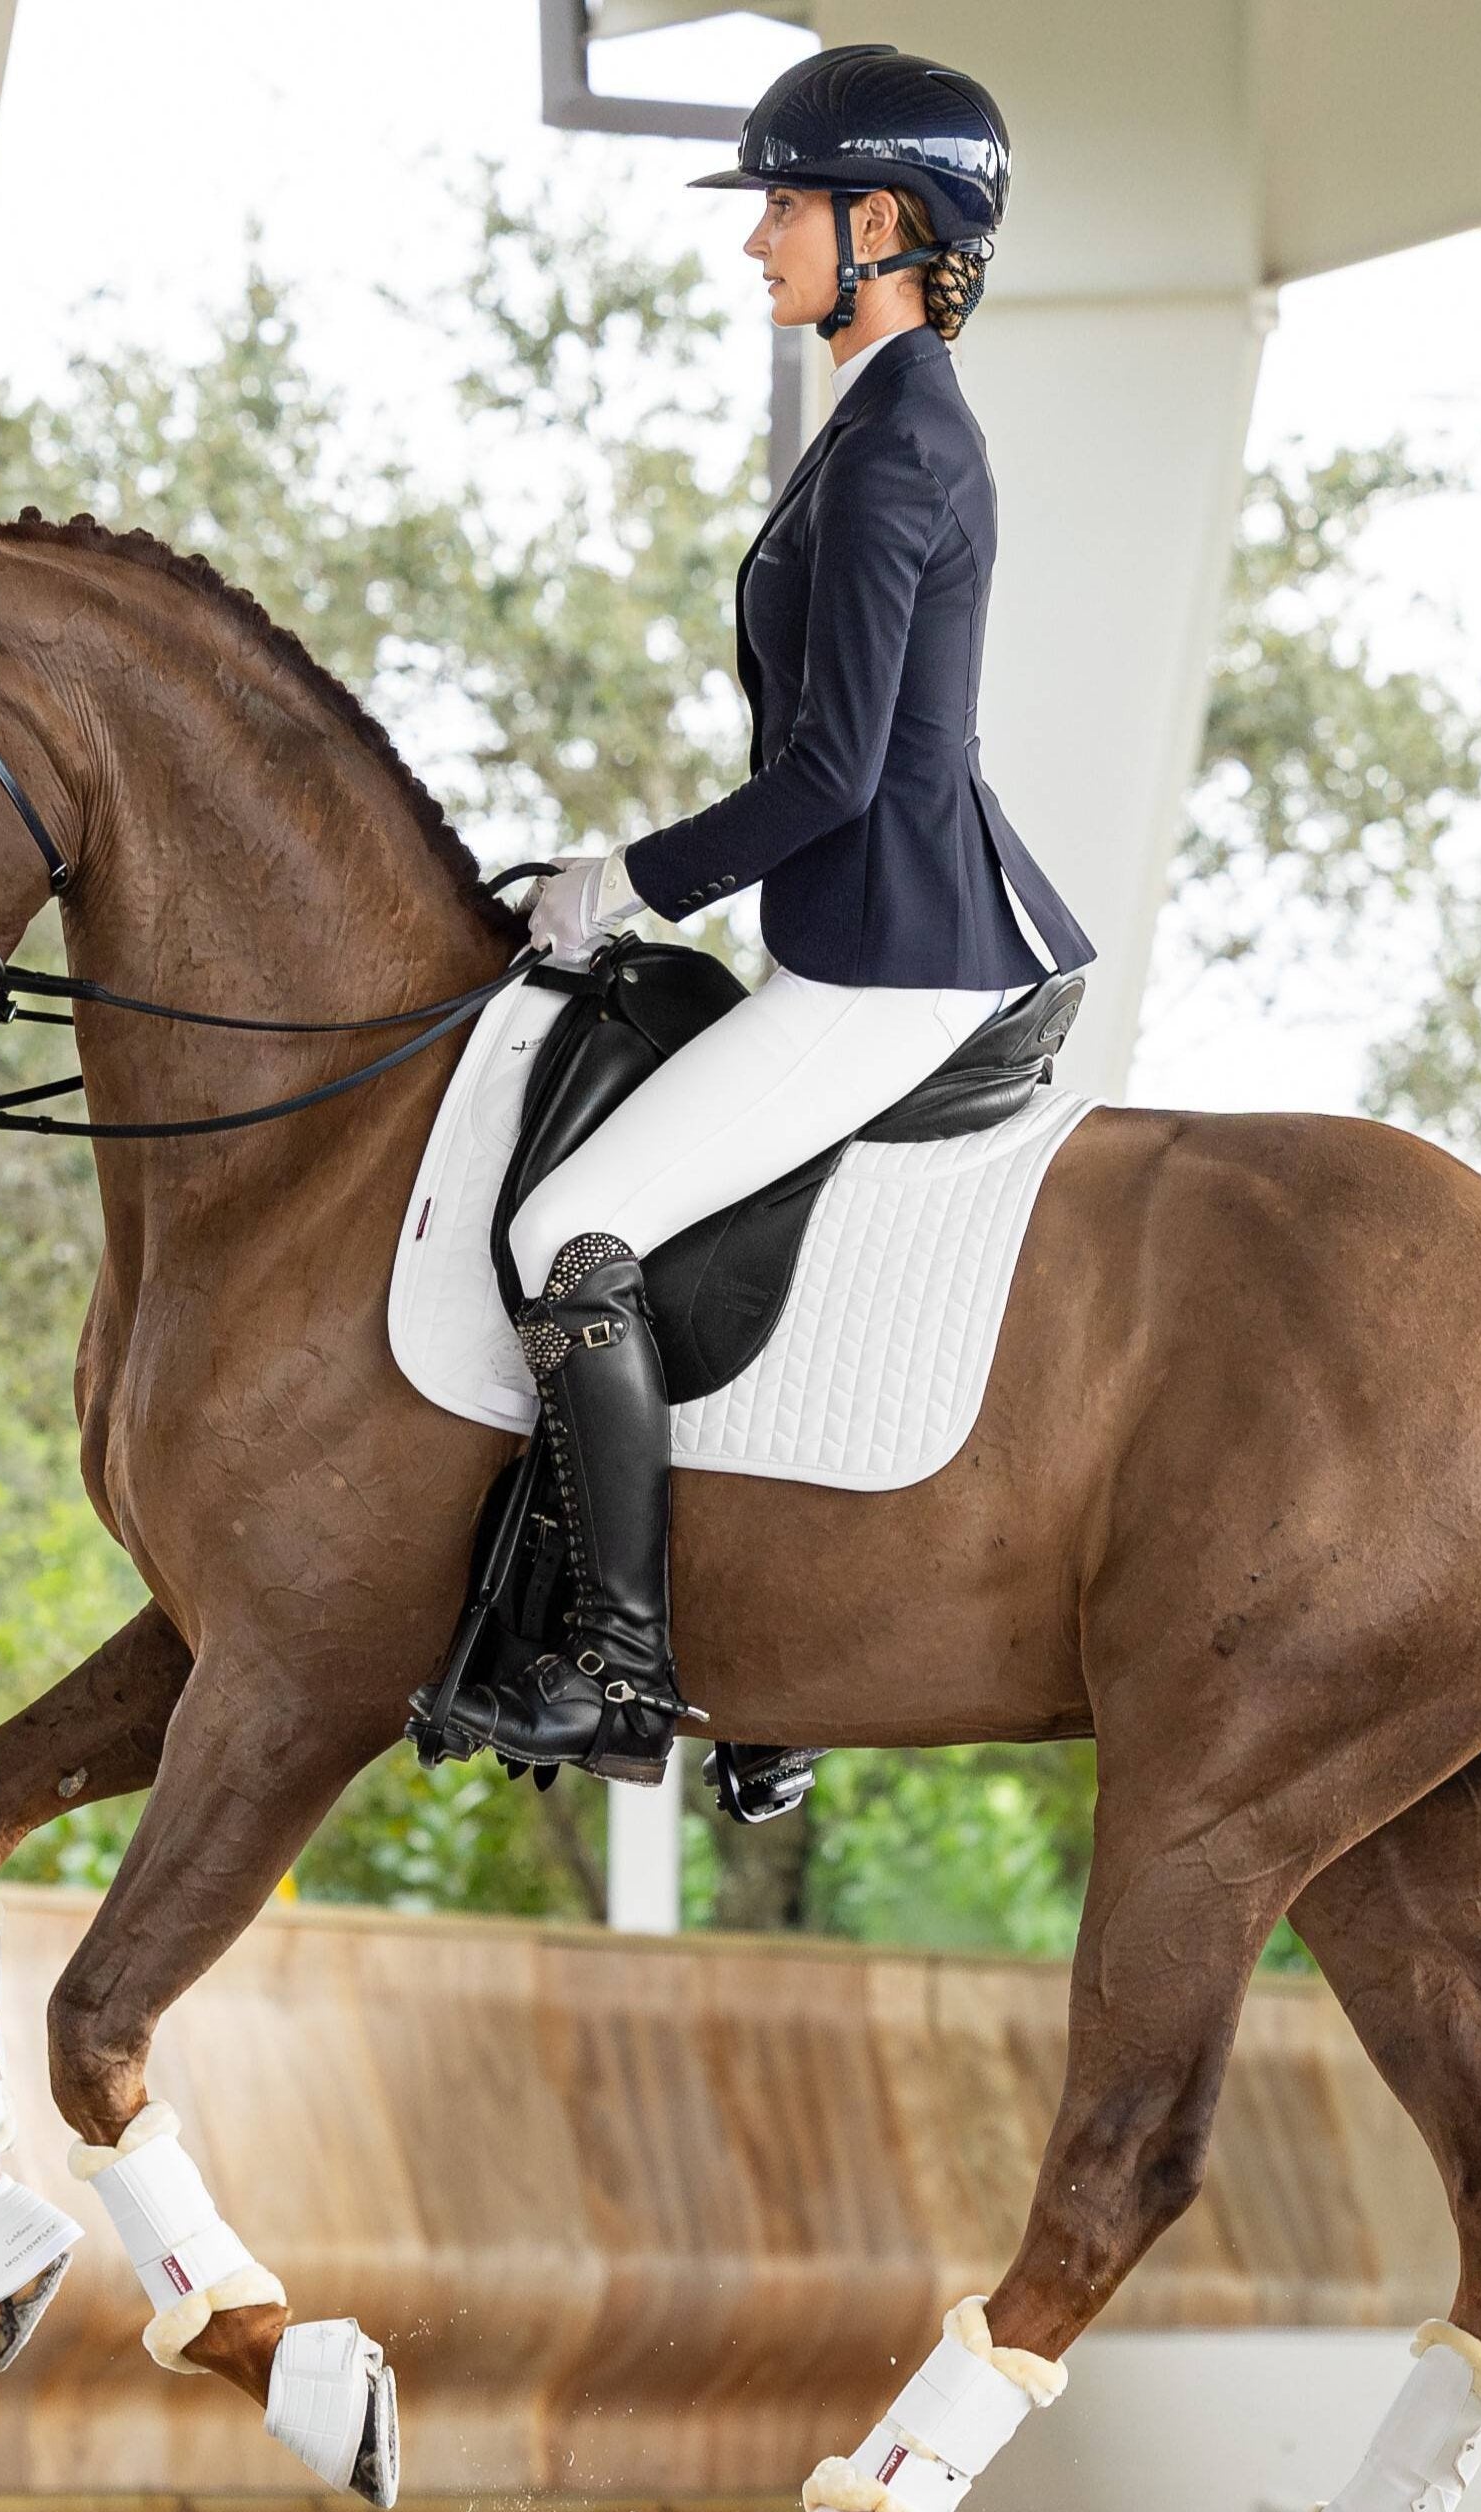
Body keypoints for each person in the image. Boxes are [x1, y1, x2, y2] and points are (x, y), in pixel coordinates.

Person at [443, 42, 1099, 1778]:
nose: (758, 247)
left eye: (784, 211)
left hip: (899, 957)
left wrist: (624, 882)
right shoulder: (875, 421)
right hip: (867, 928)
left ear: (879, 220)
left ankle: (630, 1668)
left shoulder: (897, 453)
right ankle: (770, 1654)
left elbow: (830, 778)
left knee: (563, 1237)